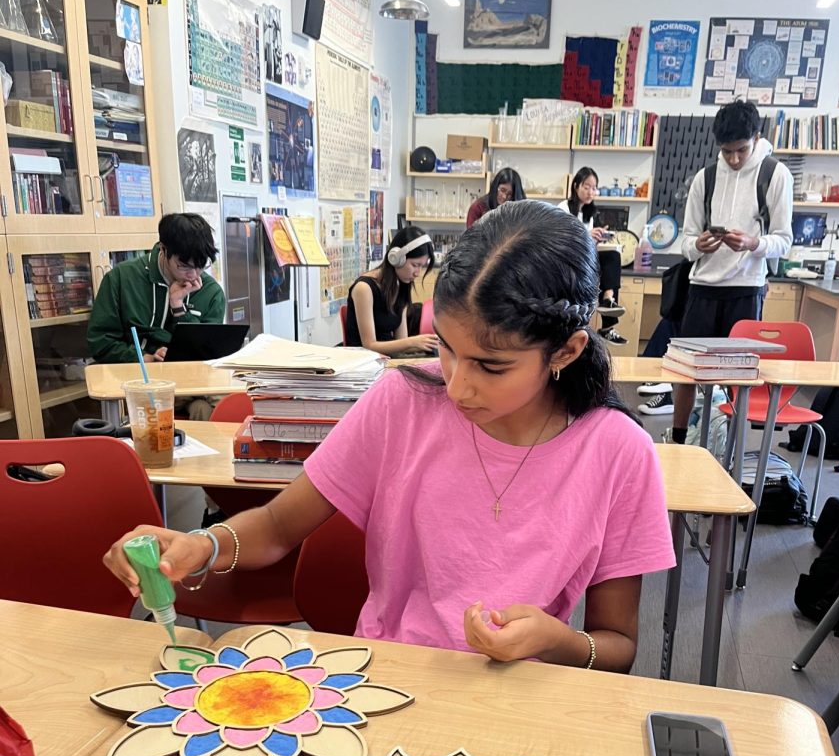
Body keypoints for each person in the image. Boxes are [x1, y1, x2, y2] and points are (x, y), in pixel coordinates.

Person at [104, 202, 675, 671]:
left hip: (522, 697)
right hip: (386, 677)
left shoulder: (618, 453)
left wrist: (554, 639)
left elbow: (616, 645)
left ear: (567, 351)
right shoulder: (404, 399)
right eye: (447, 349)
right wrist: (201, 545)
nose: (457, 386)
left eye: (490, 366)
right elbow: (279, 527)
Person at [655, 99, 793, 435]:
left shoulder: (775, 175)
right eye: (726, 151)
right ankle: (678, 437)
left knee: (738, 377)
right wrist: (697, 245)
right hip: (702, 288)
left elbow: (784, 240)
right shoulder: (706, 178)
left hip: (745, 290)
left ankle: (728, 444)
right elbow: (686, 241)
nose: (733, 159)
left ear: (757, 138)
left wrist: (753, 244)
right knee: (687, 371)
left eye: (741, 150)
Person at [86, 213, 225, 363]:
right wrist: (144, 358)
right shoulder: (121, 278)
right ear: (163, 250)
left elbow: (210, 352)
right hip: (131, 377)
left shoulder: (211, 293)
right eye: (184, 266)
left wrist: (179, 309)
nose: (193, 274)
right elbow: (100, 342)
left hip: (191, 379)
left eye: (201, 265)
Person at [344, 226, 440, 357]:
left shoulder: (401, 285)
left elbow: (401, 341)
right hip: (364, 363)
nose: (417, 273)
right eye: (415, 265)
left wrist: (429, 344)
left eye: (422, 266)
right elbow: (369, 345)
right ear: (396, 258)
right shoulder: (364, 288)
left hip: (387, 360)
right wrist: (413, 342)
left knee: (436, 355)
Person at [558, 167, 627, 345]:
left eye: (594, 188)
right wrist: (587, 235)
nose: (591, 191)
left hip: (584, 259)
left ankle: (608, 305)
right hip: (568, 261)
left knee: (613, 256)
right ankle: (607, 322)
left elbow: (588, 245)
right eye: (587, 186)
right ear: (576, 186)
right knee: (608, 261)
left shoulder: (590, 214)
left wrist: (598, 237)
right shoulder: (563, 208)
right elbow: (561, 240)